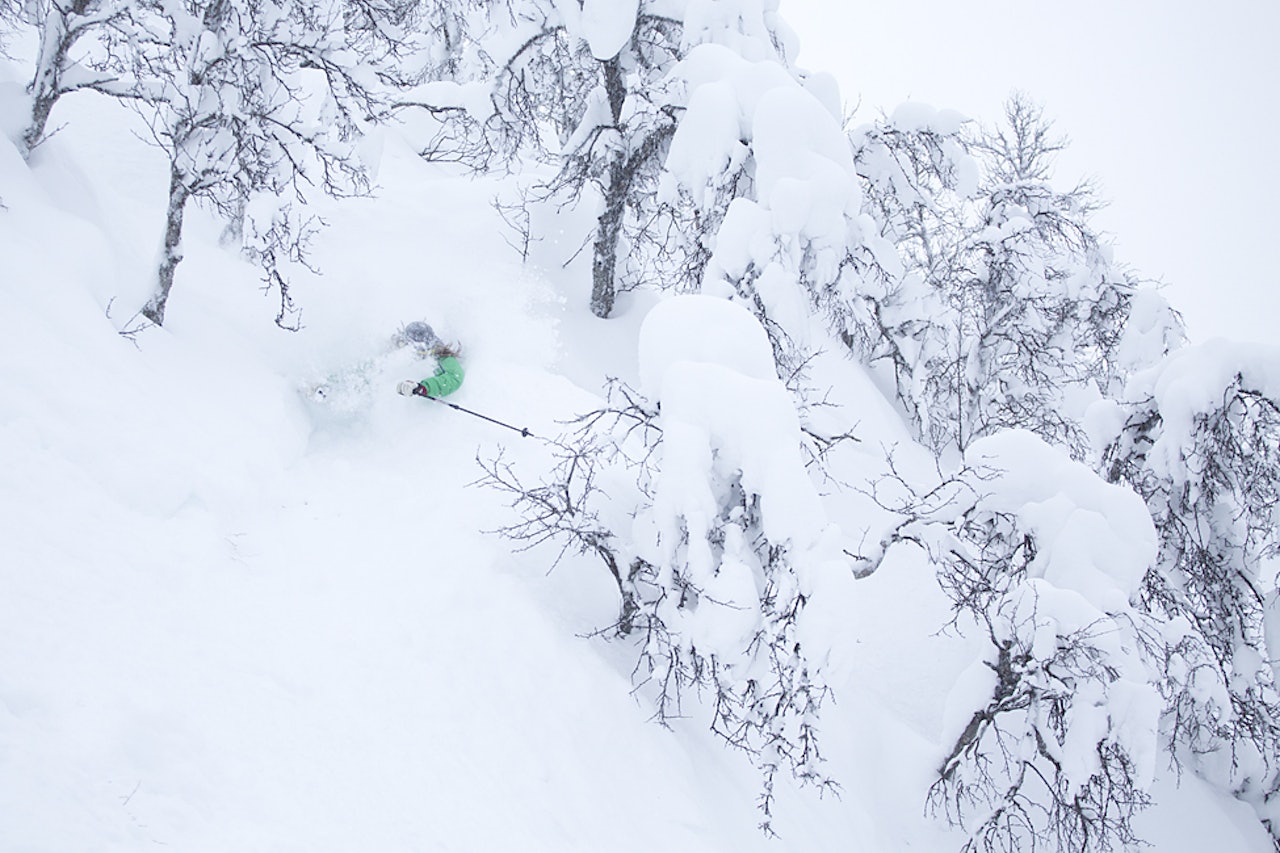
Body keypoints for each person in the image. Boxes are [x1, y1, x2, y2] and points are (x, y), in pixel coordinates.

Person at [396, 322, 465, 398]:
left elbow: (454, 378)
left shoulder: (444, 358)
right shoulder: (400, 351)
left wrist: (422, 388)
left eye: (421, 350)